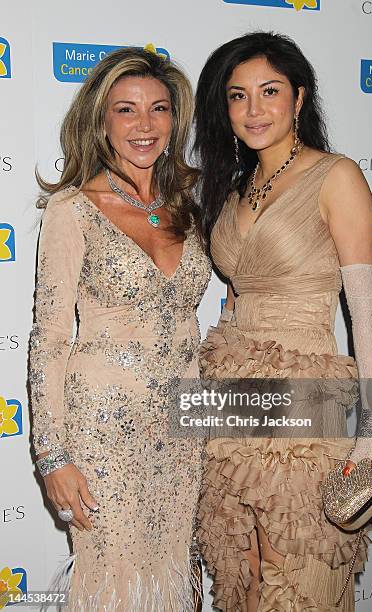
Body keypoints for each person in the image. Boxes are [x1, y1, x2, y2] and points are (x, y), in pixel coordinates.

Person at [194, 32, 372, 611]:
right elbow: (233, 302)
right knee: (244, 577)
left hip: (305, 398)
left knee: (296, 575)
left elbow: (366, 317)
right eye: (237, 96)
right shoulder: (231, 193)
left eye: (269, 92)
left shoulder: (337, 177)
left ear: (300, 98)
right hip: (228, 400)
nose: (253, 111)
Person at [29, 47, 211, 611]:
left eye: (158, 109)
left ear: (174, 119)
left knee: (173, 578)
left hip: (184, 432)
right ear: (100, 120)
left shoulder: (187, 205)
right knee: (114, 583)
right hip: (103, 431)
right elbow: (49, 338)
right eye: (126, 109)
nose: (144, 125)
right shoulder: (72, 209)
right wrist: (51, 455)